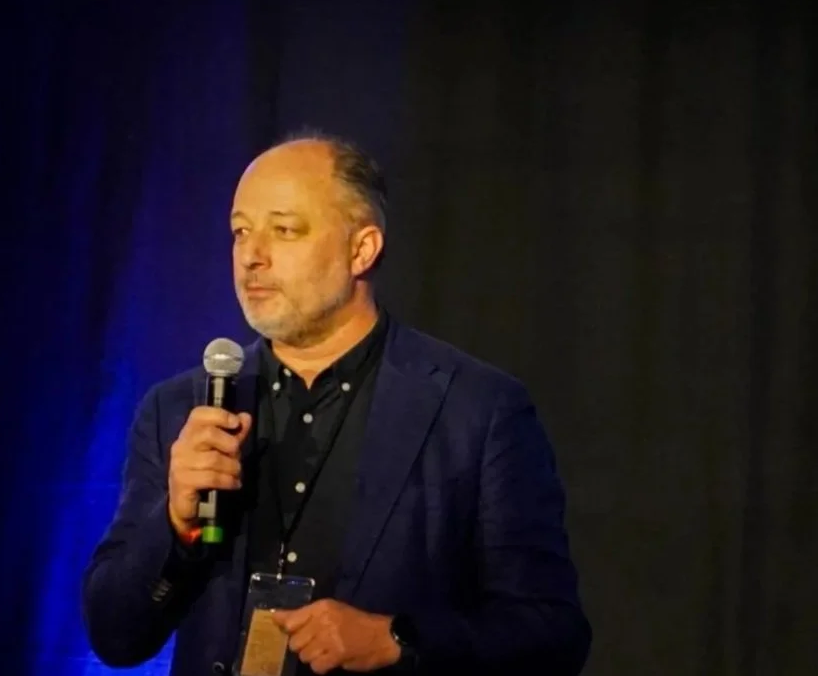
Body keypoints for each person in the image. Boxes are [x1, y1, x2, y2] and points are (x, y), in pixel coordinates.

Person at [81, 131, 592, 675]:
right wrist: (175, 524)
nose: (251, 256)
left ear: (361, 249)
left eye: (284, 230)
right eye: (240, 232)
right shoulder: (181, 409)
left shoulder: (477, 410)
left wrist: (397, 638)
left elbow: (551, 635)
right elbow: (115, 635)